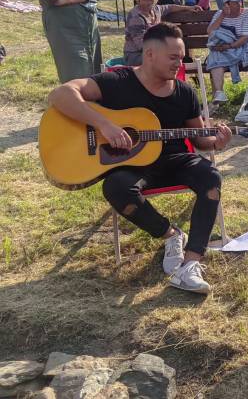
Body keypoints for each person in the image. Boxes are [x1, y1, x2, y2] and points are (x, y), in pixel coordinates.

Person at [47, 22, 231, 294]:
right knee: (116, 187)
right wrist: (104, 125)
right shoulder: (118, 82)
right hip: (134, 165)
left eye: (181, 58)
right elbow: (60, 94)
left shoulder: (184, 92)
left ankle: (191, 264)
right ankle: (171, 234)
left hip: (176, 160)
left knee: (210, 177)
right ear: (149, 54)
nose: (179, 64)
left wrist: (217, 142)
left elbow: (201, 139)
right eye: (173, 57)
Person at [124, 0, 200, 66]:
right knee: (164, 60)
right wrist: (165, 48)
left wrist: (189, 8)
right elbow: (142, 45)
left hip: (154, 52)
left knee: (172, 58)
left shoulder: (156, 9)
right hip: (135, 55)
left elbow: (170, 7)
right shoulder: (136, 16)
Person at [206, 0, 248, 103]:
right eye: (235, 2)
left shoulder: (246, 13)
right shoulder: (219, 14)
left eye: (239, 1)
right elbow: (210, 31)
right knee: (215, 54)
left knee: (215, 58)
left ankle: (218, 93)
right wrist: (223, 15)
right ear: (226, 4)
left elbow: (245, 37)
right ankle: (219, 93)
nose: (239, 4)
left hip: (242, 48)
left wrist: (228, 47)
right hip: (223, 50)